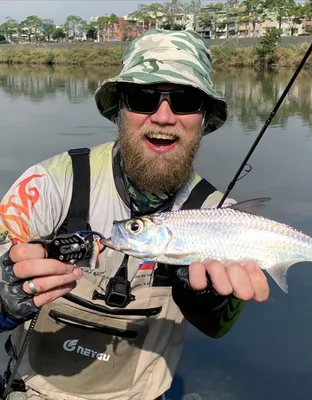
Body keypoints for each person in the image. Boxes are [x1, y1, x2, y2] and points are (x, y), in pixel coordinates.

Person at [0, 29, 269, 400]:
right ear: (119, 111)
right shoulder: (49, 185)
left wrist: (208, 301)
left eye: (185, 100)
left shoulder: (224, 217)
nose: (162, 116)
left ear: (204, 118)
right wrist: (2, 302)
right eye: (143, 97)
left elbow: (220, 328)